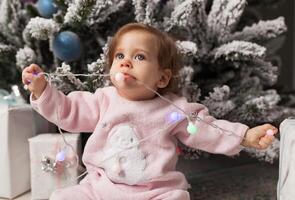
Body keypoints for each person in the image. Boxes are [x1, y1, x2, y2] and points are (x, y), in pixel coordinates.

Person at [22, 23, 278, 200]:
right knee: (62, 196)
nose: (125, 62)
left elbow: (207, 128)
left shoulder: (172, 109)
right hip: (102, 187)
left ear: (162, 78)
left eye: (140, 57)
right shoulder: (104, 100)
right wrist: (42, 89)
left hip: (155, 191)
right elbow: (68, 110)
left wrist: (244, 136)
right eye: (120, 55)